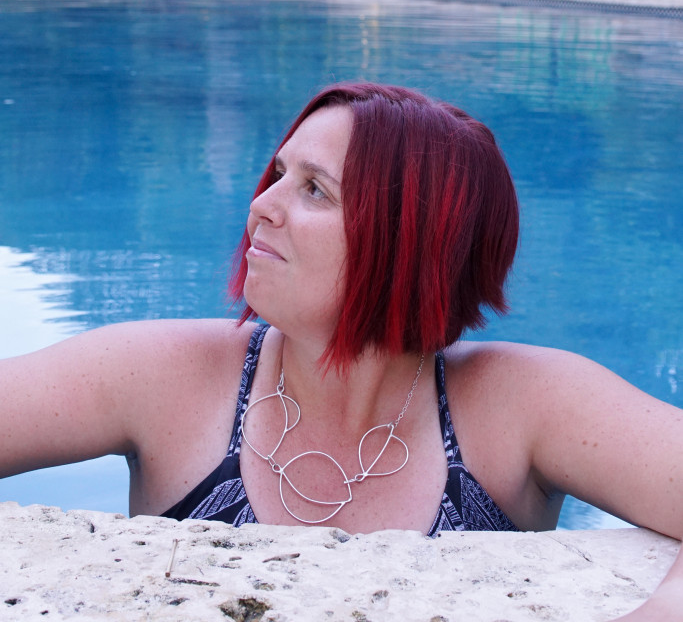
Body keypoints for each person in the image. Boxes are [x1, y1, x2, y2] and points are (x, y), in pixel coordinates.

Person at [1, 82, 681, 619]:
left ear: (409, 241)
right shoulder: (158, 373)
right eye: (276, 173)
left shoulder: (527, 404)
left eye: (313, 190)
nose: (261, 205)